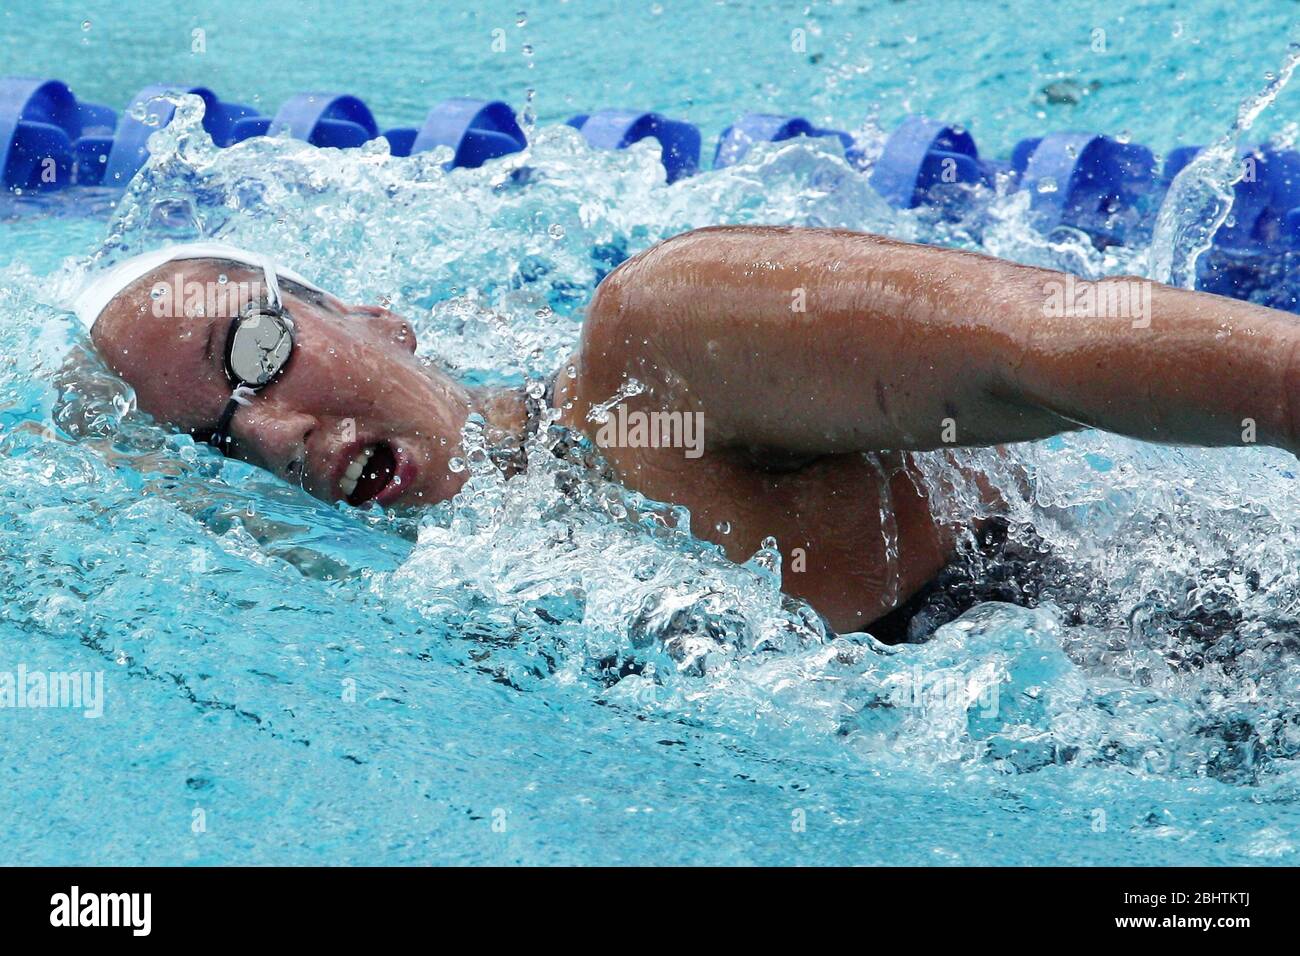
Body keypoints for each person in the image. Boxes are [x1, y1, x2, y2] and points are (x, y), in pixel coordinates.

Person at [75, 226, 1300, 635]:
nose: (279, 432)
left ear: (375, 316)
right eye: (220, 441)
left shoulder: (652, 352)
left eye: (257, 350)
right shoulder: (452, 600)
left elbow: (1052, 337)